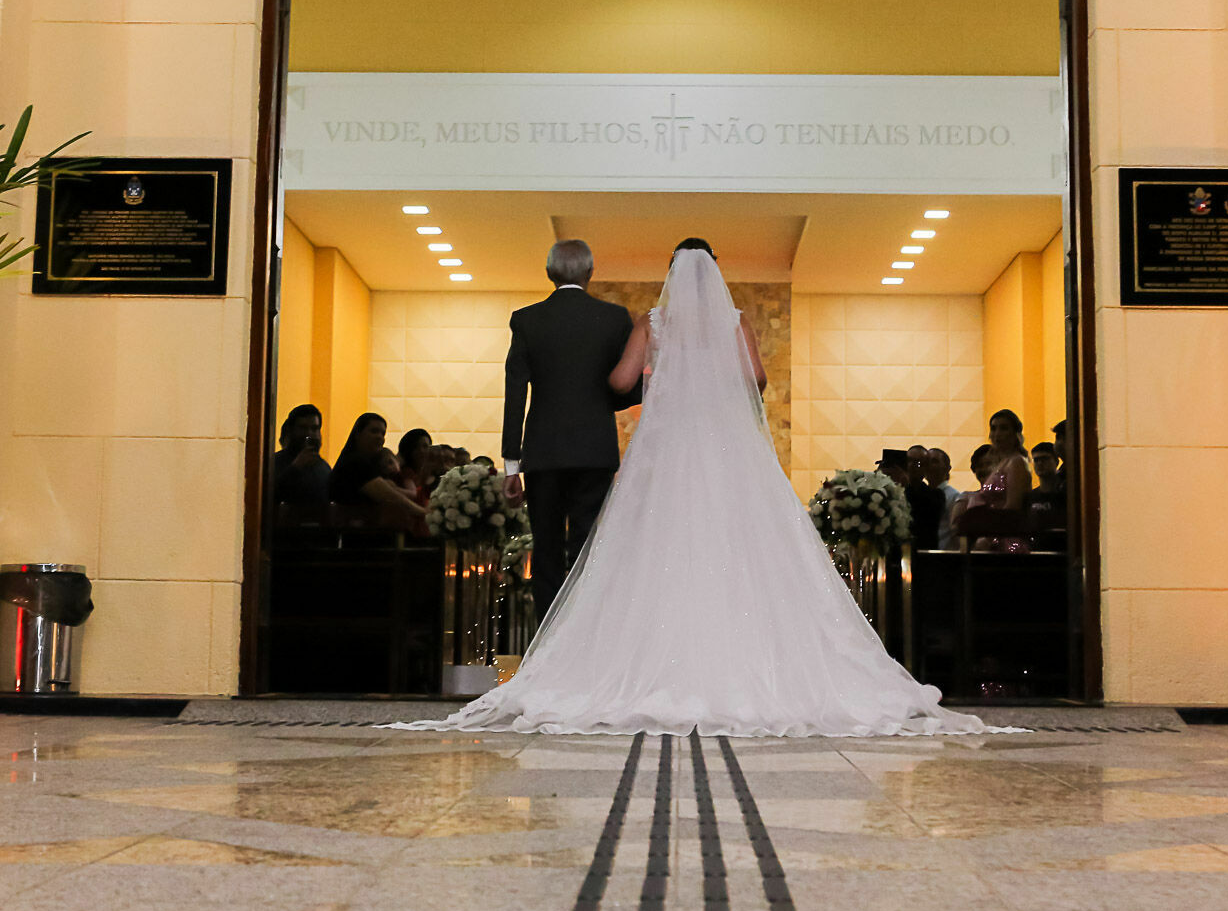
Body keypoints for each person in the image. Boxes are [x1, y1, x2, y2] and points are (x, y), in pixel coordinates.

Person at [387, 240, 1014, 738]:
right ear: (714, 274)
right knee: (739, 550)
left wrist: (641, 373)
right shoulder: (736, 320)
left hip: (667, 450)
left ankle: (633, 667)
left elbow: (622, 380)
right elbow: (757, 381)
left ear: (668, 277)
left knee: (651, 550)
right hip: (725, 448)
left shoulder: (651, 320)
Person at [497, 239, 642, 615]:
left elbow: (515, 394)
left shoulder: (527, 320)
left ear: (549, 273)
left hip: (543, 455)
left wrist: (512, 464)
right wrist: (596, 405)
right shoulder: (614, 319)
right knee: (586, 551)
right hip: (594, 451)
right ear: (590, 273)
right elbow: (628, 389)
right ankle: (582, 641)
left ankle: (544, 646)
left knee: (545, 550)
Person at [329, 412, 429, 531]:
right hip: (354, 537)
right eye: (374, 431)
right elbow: (390, 496)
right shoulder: (355, 463)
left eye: (383, 433)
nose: (380, 437)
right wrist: (424, 512)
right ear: (358, 434)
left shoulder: (366, 463)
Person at [954, 410, 1033, 553]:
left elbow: (1012, 507)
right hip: (993, 538)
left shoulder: (1017, 462)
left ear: (1015, 434)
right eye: (994, 428)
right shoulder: (1002, 464)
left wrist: (988, 536)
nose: (997, 433)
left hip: (1006, 541)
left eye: (1004, 428)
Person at [270, 404, 331, 507]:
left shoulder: (324, 467)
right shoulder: (274, 463)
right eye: (303, 428)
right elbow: (270, 497)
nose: (309, 434)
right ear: (291, 431)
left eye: (314, 428)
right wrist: (295, 468)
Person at [925, 447, 960, 549]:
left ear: (946, 468)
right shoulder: (921, 494)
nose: (929, 466)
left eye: (934, 461)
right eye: (927, 462)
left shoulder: (954, 496)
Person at [396, 429, 434, 500]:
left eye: (425, 446)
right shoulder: (405, 473)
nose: (421, 450)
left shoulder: (433, 474)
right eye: (416, 446)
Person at [1027, 441, 1061, 517]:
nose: (1040, 463)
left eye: (1044, 459)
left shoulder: (1063, 494)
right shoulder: (1029, 497)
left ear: (1056, 461)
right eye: (1036, 460)